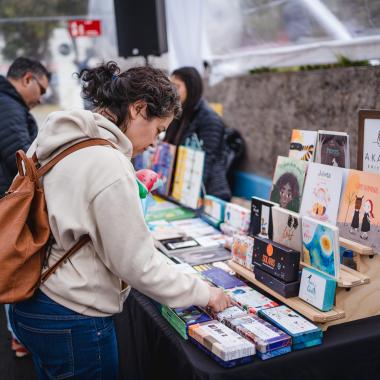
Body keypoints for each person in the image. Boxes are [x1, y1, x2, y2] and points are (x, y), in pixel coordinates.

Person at [9, 62, 231, 379]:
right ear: (139, 108)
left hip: (31, 299)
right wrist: (204, 293)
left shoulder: (62, 134)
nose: (156, 141)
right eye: (158, 129)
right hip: (72, 316)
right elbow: (137, 265)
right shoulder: (108, 163)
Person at [0, 57, 50, 358]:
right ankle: (19, 336)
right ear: (28, 78)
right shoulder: (7, 105)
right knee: (12, 267)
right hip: (8, 203)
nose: (41, 97)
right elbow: (19, 155)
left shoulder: (9, 103)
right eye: (41, 89)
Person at [164, 66, 232, 201]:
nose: (172, 91)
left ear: (191, 88)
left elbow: (207, 161)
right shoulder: (178, 113)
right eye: (171, 86)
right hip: (181, 190)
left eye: (177, 86)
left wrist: (191, 195)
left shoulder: (210, 119)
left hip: (208, 194)